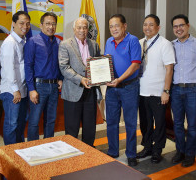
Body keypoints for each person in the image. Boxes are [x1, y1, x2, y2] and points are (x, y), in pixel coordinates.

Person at [170, 14, 196, 167]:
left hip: (193, 89)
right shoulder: (171, 45)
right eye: (175, 26)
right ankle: (180, 150)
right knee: (178, 123)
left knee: (193, 124)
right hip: (175, 89)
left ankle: (190, 153)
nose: (178, 29)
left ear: (187, 26)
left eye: (181, 25)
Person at [137, 14, 175, 163]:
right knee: (145, 122)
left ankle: (157, 150)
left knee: (159, 123)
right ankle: (147, 147)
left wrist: (166, 91)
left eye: (151, 24)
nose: (147, 27)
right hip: (141, 90)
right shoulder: (139, 43)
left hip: (158, 92)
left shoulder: (165, 44)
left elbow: (169, 69)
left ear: (158, 27)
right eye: (145, 24)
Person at [104, 14, 141, 166]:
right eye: (111, 26)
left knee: (130, 122)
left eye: (116, 25)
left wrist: (119, 79)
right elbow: (106, 61)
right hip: (112, 89)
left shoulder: (133, 41)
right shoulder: (108, 41)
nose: (113, 29)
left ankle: (131, 154)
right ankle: (113, 151)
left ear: (125, 26)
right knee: (111, 121)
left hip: (129, 87)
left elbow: (135, 64)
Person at [58, 17, 100, 146]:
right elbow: (64, 68)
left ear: (88, 29)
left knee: (90, 126)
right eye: (79, 27)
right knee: (72, 127)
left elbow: (98, 65)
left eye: (85, 27)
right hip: (72, 91)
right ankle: (72, 154)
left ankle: (88, 151)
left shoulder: (94, 44)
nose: (82, 30)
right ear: (74, 29)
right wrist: (80, 79)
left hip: (90, 91)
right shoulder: (65, 44)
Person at [24, 12, 63, 141]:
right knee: (34, 121)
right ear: (41, 25)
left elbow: (61, 64)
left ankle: (48, 147)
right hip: (38, 86)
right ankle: (32, 149)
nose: (50, 27)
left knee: (50, 120)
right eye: (47, 24)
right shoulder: (32, 42)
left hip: (53, 87)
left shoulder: (58, 42)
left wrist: (61, 79)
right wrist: (31, 89)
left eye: (53, 24)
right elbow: (28, 67)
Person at [0, 11, 31, 145]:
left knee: (21, 122)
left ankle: (19, 151)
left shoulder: (23, 41)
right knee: (12, 124)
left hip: (22, 89)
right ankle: (10, 154)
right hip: (12, 91)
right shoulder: (10, 43)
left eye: (27, 23)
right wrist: (15, 90)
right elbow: (8, 68)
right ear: (13, 24)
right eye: (21, 23)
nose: (25, 26)